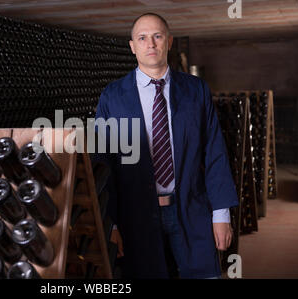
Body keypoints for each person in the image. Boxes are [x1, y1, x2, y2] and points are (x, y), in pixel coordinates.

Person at [94, 13, 239, 279]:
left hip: (191, 209)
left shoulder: (196, 91)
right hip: (135, 215)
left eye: (157, 36)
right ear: (132, 46)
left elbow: (215, 152)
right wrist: (110, 221)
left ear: (169, 42)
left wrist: (221, 214)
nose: (151, 44)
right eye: (142, 38)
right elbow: (104, 164)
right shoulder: (112, 97)